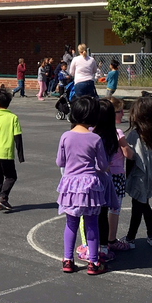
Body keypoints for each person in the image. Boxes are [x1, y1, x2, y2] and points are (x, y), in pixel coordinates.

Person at [56, 96, 110, 275]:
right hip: (89, 186)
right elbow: (102, 165)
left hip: (70, 185)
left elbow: (60, 161)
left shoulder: (65, 136)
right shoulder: (95, 138)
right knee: (92, 223)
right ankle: (94, 262)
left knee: (71, 222)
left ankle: (67, 259)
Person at [87, 98, 132, 259]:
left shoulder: (91, 133)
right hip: (116, 175)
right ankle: (110, 239)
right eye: (119, 111)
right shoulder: (117, 133)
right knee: (114, 209)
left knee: (96, 210)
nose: (122, 114)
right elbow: (128, 154)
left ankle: (91, 242)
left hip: (97, 176)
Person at [123, 95, 152, 250]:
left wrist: (125, 177)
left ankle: (130, 238)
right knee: (144, 204)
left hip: (140, 176)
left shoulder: (136, 134)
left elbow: (131, 158)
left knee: (138, 206)